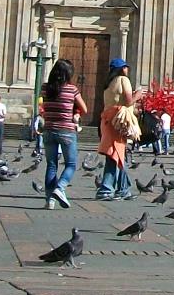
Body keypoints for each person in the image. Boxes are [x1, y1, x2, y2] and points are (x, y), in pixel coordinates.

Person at [41, 58, 88, 209]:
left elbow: (43, 106)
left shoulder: (45, 88)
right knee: (71, 164)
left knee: (51, 165)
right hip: (66, 131)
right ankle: (60, 188)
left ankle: (49, 201)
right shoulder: (72, 89)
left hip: (48, 130)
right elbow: (85, 109)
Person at [96, 57, 137, 200]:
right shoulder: (123, 80)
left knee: (117, 155)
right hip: (118, 121)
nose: (127, 69)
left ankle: (123, 189)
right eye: (125, 67)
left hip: (107, 120)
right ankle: (106, 189)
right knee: (115, 156)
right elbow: (128, 101)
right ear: (121, 69)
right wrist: (138, 95)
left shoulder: (108, 84)